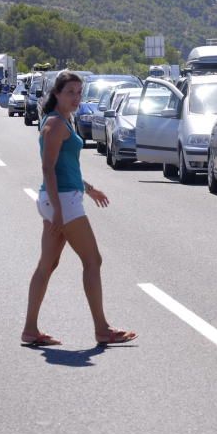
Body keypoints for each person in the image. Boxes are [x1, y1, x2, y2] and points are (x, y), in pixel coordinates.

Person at [22, 70, 137, 347]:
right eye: (70, 92)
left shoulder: (64, 121)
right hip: (62, 201)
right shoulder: (55, 124)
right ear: (57, 94)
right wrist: (59, 212)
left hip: (62, 197)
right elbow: (48, 168)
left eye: (78, 92)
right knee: (92, 260)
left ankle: (30, 330)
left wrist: (88, 187)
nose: (76, 97)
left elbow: (66, 168)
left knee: (47, 265)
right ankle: (102, 329)